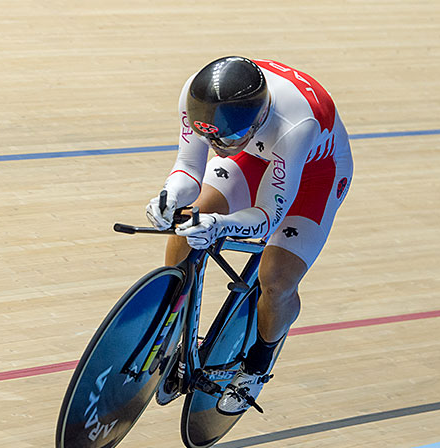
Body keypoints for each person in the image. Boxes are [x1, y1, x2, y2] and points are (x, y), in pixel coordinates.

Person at [145, 56, 353, 415]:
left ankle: (257, 364)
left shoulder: (295, 124)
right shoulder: (200, 97)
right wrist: (168, 196)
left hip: (315, 175)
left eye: (228, 138)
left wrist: (221, 226)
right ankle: (171, 324)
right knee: (189, 221)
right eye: (211, 137)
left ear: (258, 118)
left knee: (275, 279)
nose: (218, 147)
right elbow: (189, 166)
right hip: (254, 155)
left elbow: (267, 219)